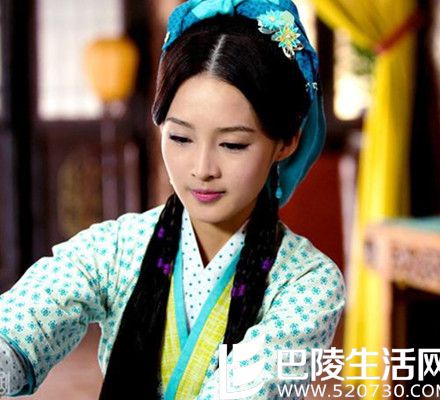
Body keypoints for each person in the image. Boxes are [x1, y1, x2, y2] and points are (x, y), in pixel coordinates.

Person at [0, 0, 345, 398]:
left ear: (286, 142)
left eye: (233, 144)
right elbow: (24, 322)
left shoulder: (307, 282)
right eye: (180, 137)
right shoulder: (116, 249)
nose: (202, 168)